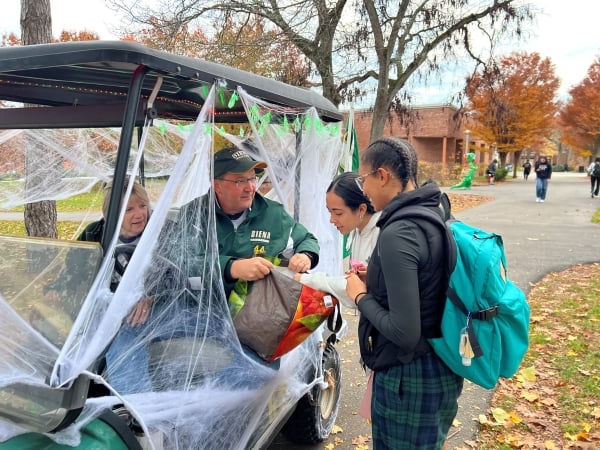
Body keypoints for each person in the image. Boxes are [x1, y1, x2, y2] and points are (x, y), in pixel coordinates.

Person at [345, 137, 463, 449]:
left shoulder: (399, 232)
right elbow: (428, 278)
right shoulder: (431, 211)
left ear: (382, 175)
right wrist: (377, 278)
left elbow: (404, 332)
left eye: (363, 179)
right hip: (439, 363)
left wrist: (360, 295)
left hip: (409, 378)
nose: (363, 189)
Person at [83, 179, 155, 394]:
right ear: (111, 213)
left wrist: (152, 295)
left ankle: (138, 411)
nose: (140, 214)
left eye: (143, 206)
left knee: (125, 334)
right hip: (107, 308)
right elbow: (75, 268)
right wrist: (55, 291)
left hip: (149, 310)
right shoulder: (94, 233)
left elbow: (177, 274)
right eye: (129, 209)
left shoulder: (162, 232)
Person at [294, 172, 380, 308]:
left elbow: (359, 289)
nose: (332, 220)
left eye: (338, 213)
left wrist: (307, 280)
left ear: (361, 209)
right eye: (330, 212)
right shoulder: (357, 230)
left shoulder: (381, 234)